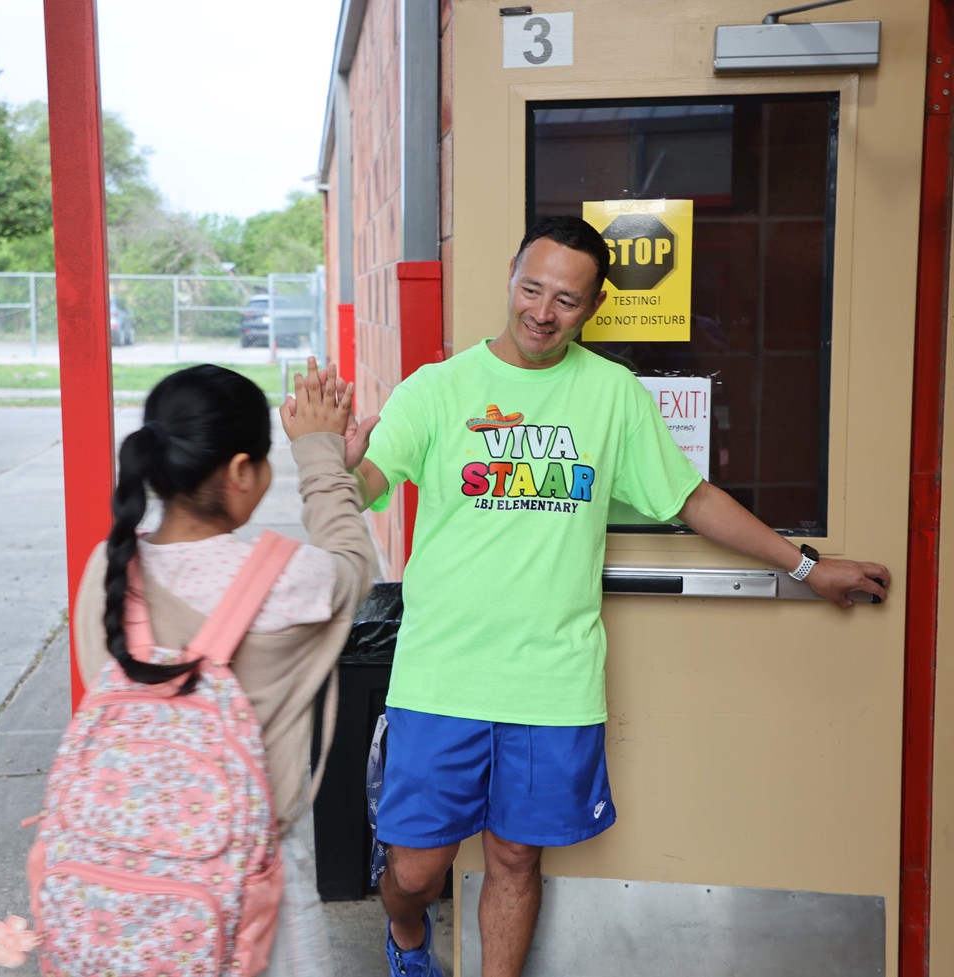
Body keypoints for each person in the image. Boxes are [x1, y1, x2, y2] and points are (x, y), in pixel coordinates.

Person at [351, 216, 891, 977]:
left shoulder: (611, 395)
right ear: (510, 277)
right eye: (532, 289)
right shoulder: (439, 389)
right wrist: (330, 458)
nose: (543, 311)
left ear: (594, 305)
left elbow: (692, 498)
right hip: (442, 675)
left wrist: (805, 566)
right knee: (415, 872)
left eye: (566, 300)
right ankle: (408, 940)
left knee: (513, 857)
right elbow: (364, 484)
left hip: (552, 681)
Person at [73, 360, 378, 977]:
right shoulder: (289, 581)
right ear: (242, 471)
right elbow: (352, 559)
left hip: (117, 876)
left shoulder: (106, 570)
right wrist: (322, 455)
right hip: (248, 883)